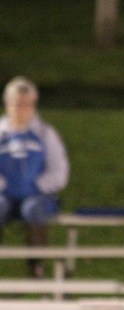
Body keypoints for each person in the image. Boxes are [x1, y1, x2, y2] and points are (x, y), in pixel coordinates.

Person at [0, 76, 69, 279]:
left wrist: (36, 185)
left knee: (33, 209)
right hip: (4, 195)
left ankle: (36, 267)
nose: (22, 109)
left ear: (34, 105)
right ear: (7, 105)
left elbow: (59, 171)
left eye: (27, 104)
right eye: (17, 104)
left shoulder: (46, 134)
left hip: (37, 195)